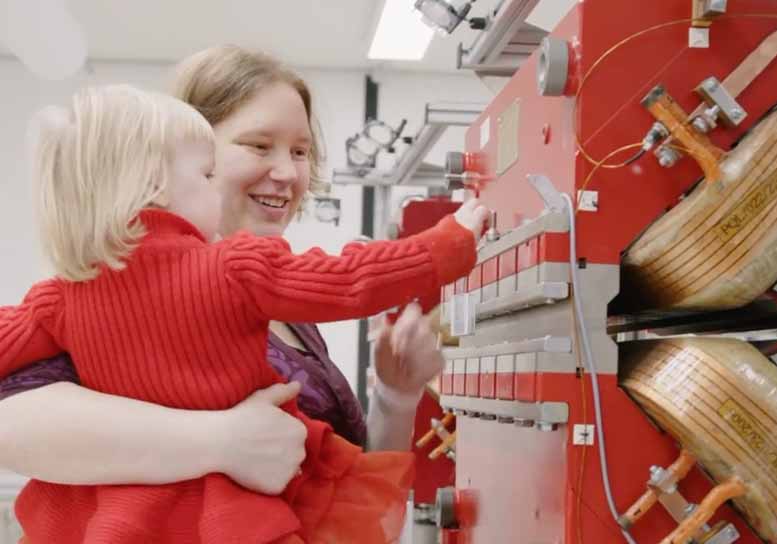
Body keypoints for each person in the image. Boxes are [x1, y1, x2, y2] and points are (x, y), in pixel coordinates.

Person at [0, 51, 485, 543]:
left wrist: (395, 396)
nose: (288, 173)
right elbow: (10, 423)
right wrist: (221, 441)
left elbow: (344, 497)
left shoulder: (289, 318)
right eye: (258, 145)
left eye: (300, 152)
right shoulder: (127, 283)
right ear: (165, 160)